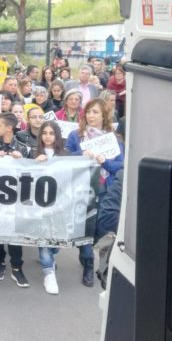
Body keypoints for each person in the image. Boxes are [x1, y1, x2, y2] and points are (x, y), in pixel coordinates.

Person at [65, 98, 124, 287]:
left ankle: (92, 253)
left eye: (95, 112)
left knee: (103, 228)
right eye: (88, 112)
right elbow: (64, 158)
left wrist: (103, 161)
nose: (91, 116)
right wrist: (80, 155)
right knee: (85, 227)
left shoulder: (114, 138)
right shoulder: (76, 136)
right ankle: (89, 265)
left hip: (106, 188)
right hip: (82, 188)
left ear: (104, 115)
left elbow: (120, 165)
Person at [0, 113, 29, 287]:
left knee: (14, 233)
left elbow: (32, 173)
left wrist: (22, 159)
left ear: (9, 128)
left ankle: (17, 267)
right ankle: (0, 262)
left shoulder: (23, 147)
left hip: (16, 198)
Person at [30, 120, 70, 295]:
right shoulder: (33, 152)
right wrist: (34, 163)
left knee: (55, 242)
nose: (47, 136)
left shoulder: (65, 154)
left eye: (51, 133)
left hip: (60, 205)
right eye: (44, 133)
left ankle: (50, 257)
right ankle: (49, 274)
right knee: (44, 240)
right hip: (39, 205)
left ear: (57, 136)